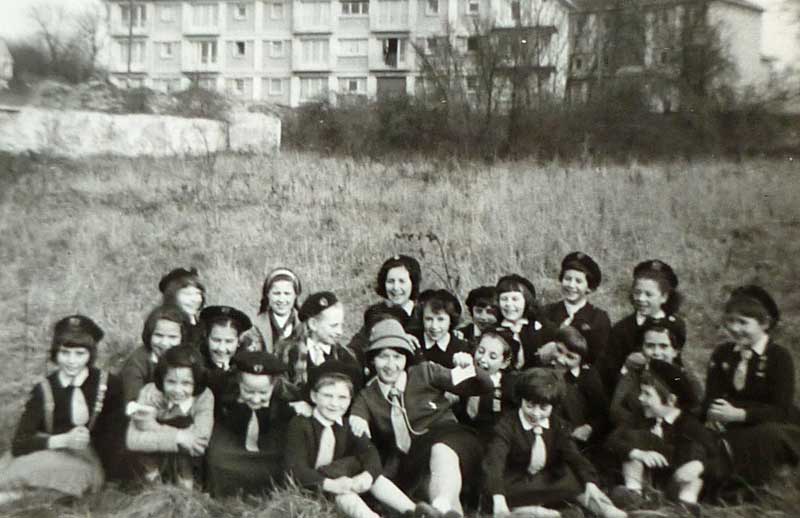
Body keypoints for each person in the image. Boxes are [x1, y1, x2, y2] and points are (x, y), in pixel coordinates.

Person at [349, 319, 493, 517]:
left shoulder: (425, 372)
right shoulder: (367, 396)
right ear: (373, 360)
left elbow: (482, 386)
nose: (391, 365)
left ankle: (440, 506)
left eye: (397, 357)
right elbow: (357, 425)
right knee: (437, 492)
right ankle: (443, 509)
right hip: (415, 461)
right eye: (383, 357)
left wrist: (469, 367)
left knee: (440, 450)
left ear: (406, 359)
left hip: (453, 440)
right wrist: (358, 422)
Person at [286, 361, 438, 518]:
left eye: (342, 398)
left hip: (345, 482)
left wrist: (367, 477)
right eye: (327, 396)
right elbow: (296, 469)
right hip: (314, 486)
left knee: (375, 478)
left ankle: (415, 512)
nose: (334, 404)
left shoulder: (347, 425)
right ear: (313, 396)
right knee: (346, 495)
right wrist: (333, 485)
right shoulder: (301, 424)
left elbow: (370, 454)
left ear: (350, 400)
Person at [0, 316, 124, 503]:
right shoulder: (45, 389)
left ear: (91, 354)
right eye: (65, 353)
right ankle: (16, 495)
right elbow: (20, 442)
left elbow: (116, 435)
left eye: (79, 354)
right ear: (55, 353)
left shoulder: (108, 385)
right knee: (17, 469)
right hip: (49, 449)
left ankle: (18, 496)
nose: (72, 361)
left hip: (87, 459)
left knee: (68, 475)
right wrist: (62, 440)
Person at [482, 368, 626, 518]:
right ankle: (535, 512)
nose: (536, 414)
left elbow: (574, 456)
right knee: (499, 494)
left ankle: (604, 508)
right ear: (521, 400)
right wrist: (498, 498)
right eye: (529, 405)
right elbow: (495, 463)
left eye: (543, 408)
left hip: (548, 479)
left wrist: (591, 483)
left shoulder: (558, 425)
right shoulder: (506, 425)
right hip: (516, 480)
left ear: (553, 406)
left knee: (575, 480)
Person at [702, 285, 800, 487]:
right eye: (730, 321)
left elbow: (781, 409)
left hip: (771, 424)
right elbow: (712, 395)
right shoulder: (723, 353)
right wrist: (712, 414)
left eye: (743, 322)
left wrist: (741, 415)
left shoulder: (778, 356)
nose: (735, 328)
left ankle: (744, 489)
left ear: (765, 324)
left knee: (763, 436)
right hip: (730, 422)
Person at [607, 360, 724, 510]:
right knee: (632, 439)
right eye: (641, 392)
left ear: (671, 400)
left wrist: (700, 466)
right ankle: (633, 495)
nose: (640, 398)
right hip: (648, 482)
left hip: (676, 481)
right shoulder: (640, 417)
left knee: (695, 450)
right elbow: (612, 440)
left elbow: (718, 458)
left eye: (647, 394)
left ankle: (686, 503)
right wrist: (637, 453)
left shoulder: (690, 425)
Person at [205, 350, 306, 497]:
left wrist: (304, 406)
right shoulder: (222, 387)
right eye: (248, 391)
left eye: (263, 393)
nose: (256, 399)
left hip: (268, 447)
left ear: (274, 385)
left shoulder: (289, 396)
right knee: (217, 459)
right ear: (239, 382)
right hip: (232, 442)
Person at [126, 346, 213, 490]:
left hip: (187, 465)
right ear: (162, 379)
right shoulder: (149, 392)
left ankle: (185, 486)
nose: (178, 390)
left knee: (183, 422)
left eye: (186, 383)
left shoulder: (204, 397)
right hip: (153, 463)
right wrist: (178, 436)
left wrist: (152, 429)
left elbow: (199, 443)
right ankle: (154, 485)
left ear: (197, 381)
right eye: (171, 382)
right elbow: (132, 440)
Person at [597, 260, 685, 393]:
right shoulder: (621, 329)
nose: (641, 299)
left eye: (649, 294)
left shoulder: (676, 325)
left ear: (664, 297)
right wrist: (626, 366)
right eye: (637, 293)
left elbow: (677, 363)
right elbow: (608, 371)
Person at [609, 317, 702, 427]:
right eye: (650, 346)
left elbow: (695, 413)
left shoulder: (687, 380)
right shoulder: (632, 376)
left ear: (675, 351)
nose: (656, 352)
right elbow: (616, 411)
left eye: (663, 346)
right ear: (642, 349)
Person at [349, 255, 424, 358]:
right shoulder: (375, 314)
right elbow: (356, 349)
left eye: (402, 281)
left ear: (413, 283)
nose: (396, 288)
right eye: (390, 281)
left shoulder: (423, 314)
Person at [544, 252, 611, 366]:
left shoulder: (598, 319)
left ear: (589, 288)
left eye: (578, 281)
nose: (571, 285)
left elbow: (601, 360)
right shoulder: (546, 312)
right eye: (567, 279)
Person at [281, 292, 360, 388]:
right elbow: (281, 389)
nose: (340, 332)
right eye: (333, 326)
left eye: (341, 325)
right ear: (313, 324)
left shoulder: (344, 357)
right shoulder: (287, 352)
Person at [549, 326, 610, 449]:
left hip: (574, 435)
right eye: (559, 350)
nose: (561, 359)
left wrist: (589, 427)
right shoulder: (544, 367)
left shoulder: (588, 378)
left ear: (581, 361)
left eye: (570, 357)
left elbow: (601, 413)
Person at [455, 329, 519, 442]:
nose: (483, 359)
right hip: (462, 434)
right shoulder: (466, 373)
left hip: (492, 439)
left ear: (504, 363)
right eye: (481, 351)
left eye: (492, 357)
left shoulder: (508, 386)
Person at [120, 304, 190, 404]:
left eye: (173, 337)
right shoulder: (137, 363)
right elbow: (133, 402)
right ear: (149, 335)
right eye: (158, 335)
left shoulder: (188, 357)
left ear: (183, 338)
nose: (164, 343)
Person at [495, 274, 556, 370]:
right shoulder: (493, 331)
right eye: (504, 299)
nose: (509, 304)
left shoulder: (541, 327)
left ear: (526, 301)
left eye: (515, 299)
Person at [240, 267, 303, 354]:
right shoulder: (255, 328)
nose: (281, 299)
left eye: (287, 293)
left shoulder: (305, 326)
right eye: (276, 293)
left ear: (296, 295)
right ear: (267, 294)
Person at [197, 305, 253, 401]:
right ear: (206, 338)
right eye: (216, 340)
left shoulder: (246, 366)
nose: (222, 348)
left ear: (239, 342)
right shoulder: (196, 362)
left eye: (229, 341)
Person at [414, 289, 471, 369]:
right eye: (429, 319)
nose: (434, 326)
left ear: (451, 320)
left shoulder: (461, 348)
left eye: (440, 319)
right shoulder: (413, 341)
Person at [159, 267, 206, 349]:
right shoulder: (162, 323)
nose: (195, 299)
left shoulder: (203, 325)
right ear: (172, 296)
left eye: (198, 293)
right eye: (187, 294)